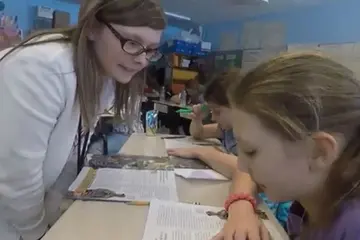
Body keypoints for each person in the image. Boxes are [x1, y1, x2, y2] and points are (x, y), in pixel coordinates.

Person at [0, 0, 166, 239]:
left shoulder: (103, 74)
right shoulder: (42, 68)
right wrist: (38, 232)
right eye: (132, 42)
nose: (142, 60)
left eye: (150, 49)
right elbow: (16, 181)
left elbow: (69, 155)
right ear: (92, 28)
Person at [226, 52, 360, 239]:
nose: (241, 165)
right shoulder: (306, 205)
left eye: (251, 151)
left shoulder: (352, 226)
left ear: (320, 151)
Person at [167, 71, 291, 227]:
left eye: (217, 112)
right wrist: (197, 120)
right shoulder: (225, 129)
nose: (213, 118)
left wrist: (205, 153)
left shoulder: (259, 138)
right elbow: (199, 133)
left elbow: (243, 170)